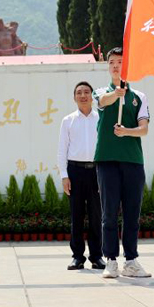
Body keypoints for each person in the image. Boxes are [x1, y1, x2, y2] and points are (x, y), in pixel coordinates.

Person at [93, 47, 151, 279]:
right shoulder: (101, 92)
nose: (116, 66)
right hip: (107, 159)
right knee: (109, 213)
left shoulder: (139, 97)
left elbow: (144, 129)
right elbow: (103, 102)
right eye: (112, 62)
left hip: (132, 160)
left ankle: (131, 260)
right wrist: (116, 94)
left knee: (131, 213)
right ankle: (111, 260)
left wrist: (127, 131)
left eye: (120, 62)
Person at [58, 81, 105, 271]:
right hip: (75, 171)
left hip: (96, 171)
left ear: (92, 96)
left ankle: (97, 256)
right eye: (79, 92)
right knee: (76, 216)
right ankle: (77, 257)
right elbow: (62, 150)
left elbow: (106, 146)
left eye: (86, 92)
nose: (83, 95)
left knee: (96, 216)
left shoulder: (101, 118)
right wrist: (64, 175)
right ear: (74, 97)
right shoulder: (68, 120)